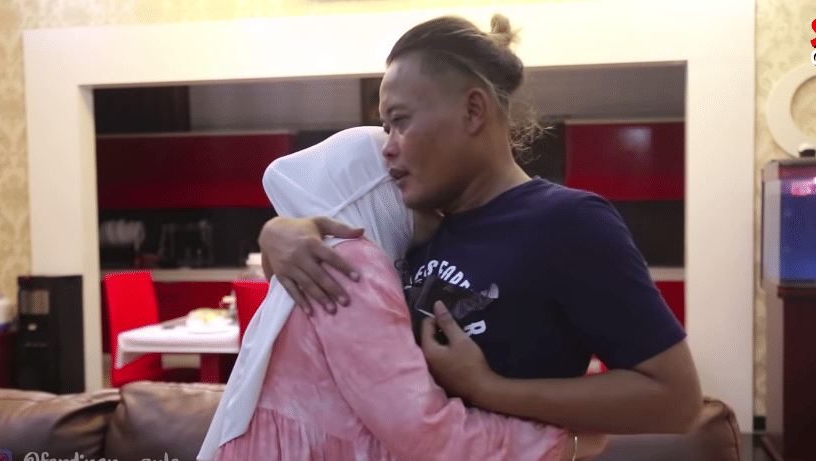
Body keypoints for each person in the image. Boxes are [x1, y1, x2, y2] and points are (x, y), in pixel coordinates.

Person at [261, 13, 703, 438]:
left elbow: (676, 400)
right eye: (385, 127)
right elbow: (320, 302)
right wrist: (278, 237)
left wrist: (488, 389)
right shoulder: (412, 226)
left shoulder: (569, 223)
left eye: (400, 122)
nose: (387, 148)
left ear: (473, 111)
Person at [198, 126, 607, 461]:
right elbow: (421, 430)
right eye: (406, 183)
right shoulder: (351, 265)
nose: (430, 202)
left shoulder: (339, 258)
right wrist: (562, 445)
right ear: (377, 193)